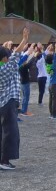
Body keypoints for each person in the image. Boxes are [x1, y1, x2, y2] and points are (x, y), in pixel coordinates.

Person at [0, 27, 30, 170]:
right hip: (7, 102)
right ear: (4, 58)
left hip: (3, 103)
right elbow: (15, 56)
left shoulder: (3, 67)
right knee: (10, 132)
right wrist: (24, 39)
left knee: (3, 132)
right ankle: (4, 161)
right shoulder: (5, 69)